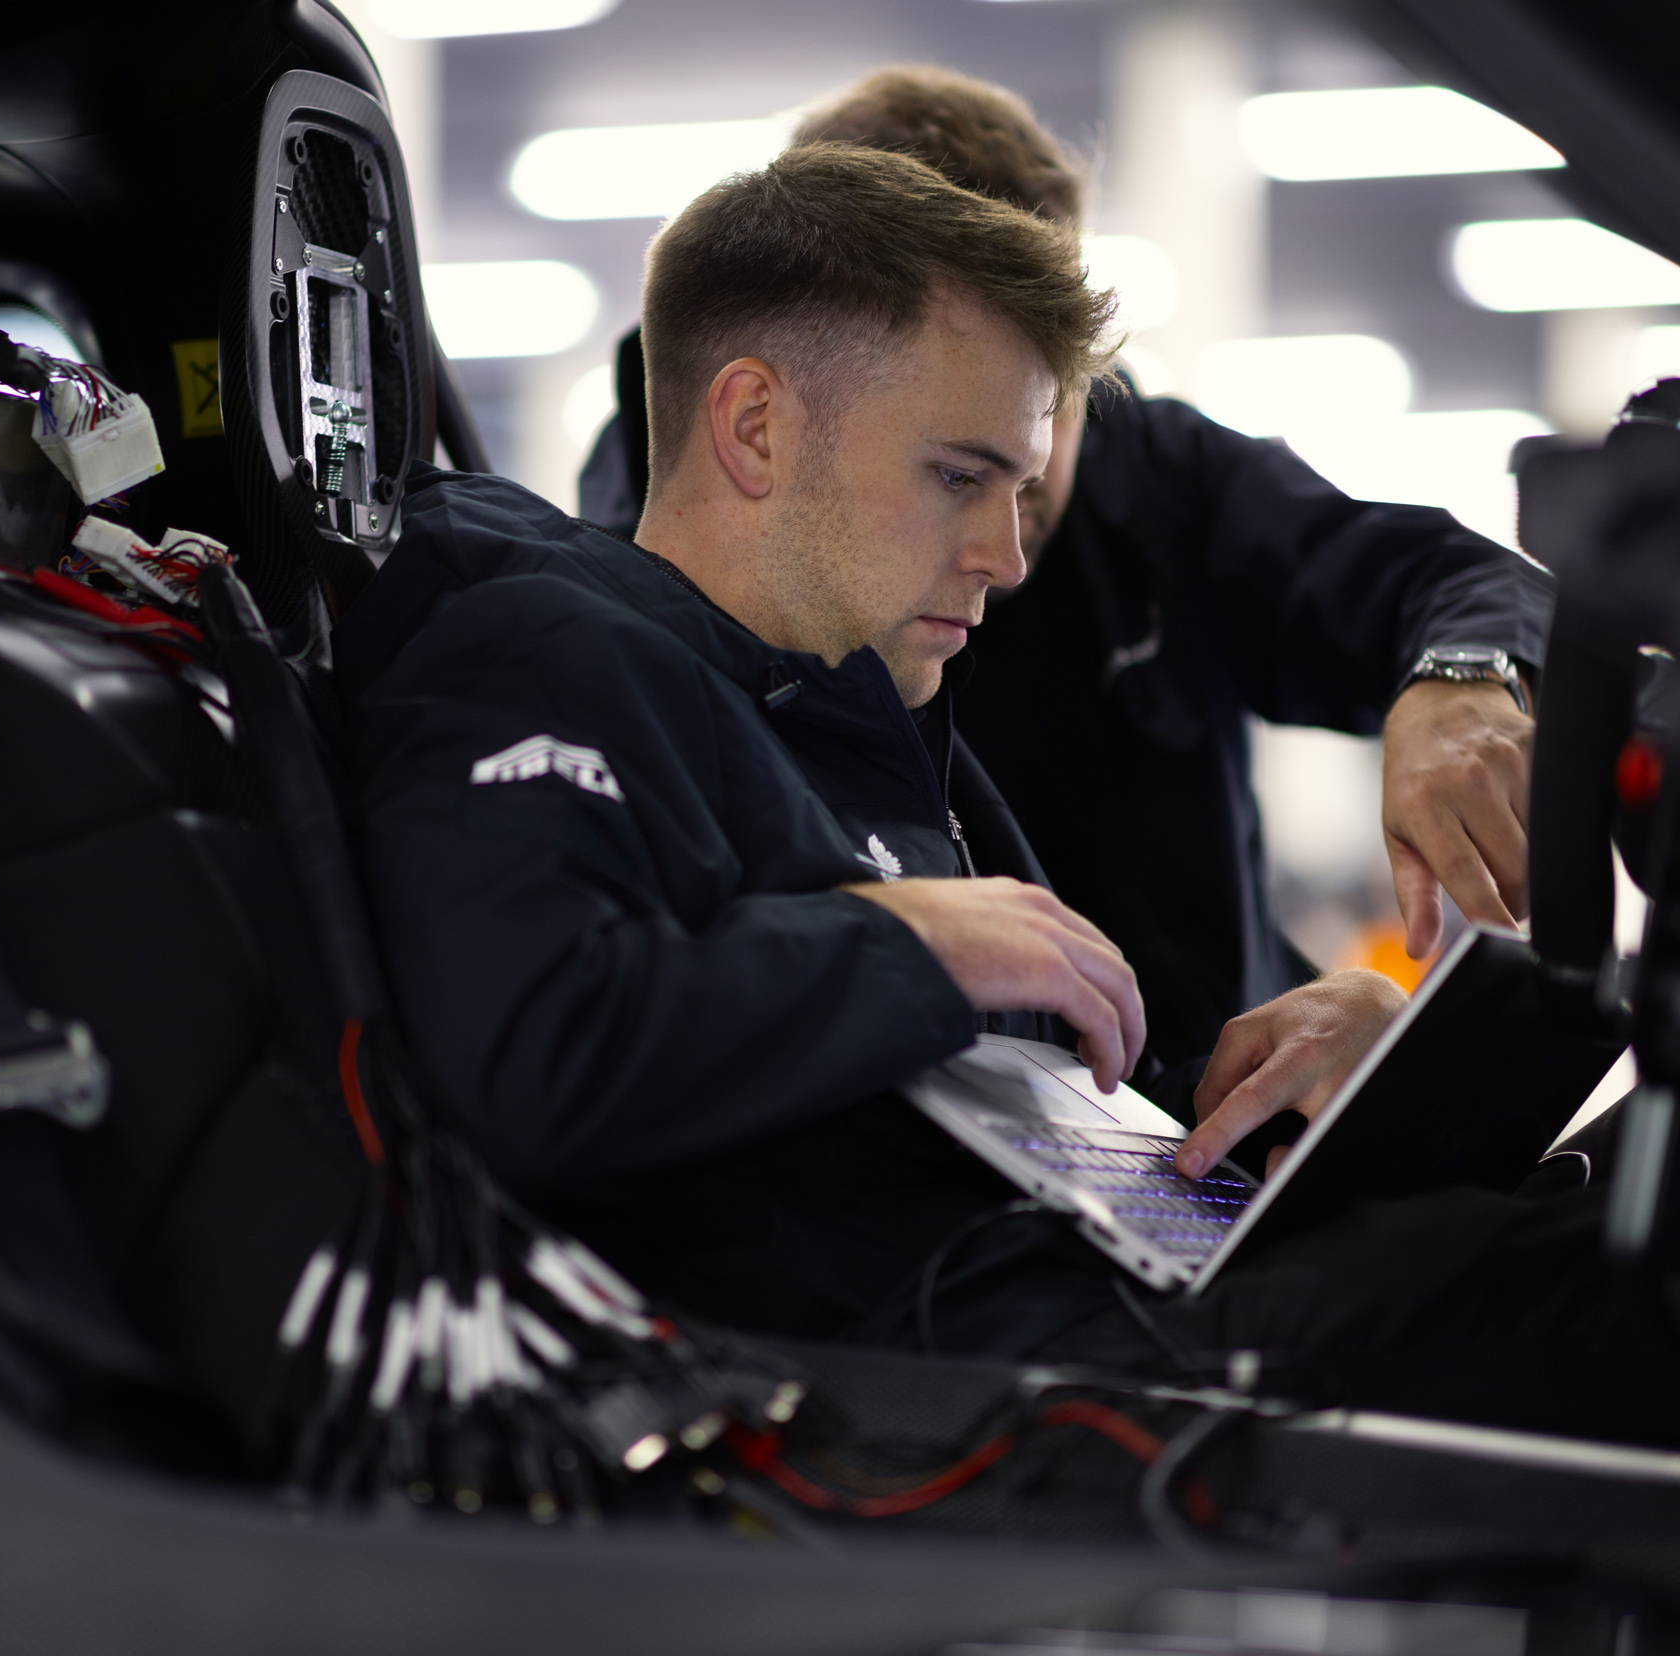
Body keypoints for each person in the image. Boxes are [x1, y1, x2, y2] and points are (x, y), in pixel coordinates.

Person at [342, 146, 1680, 1447]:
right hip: (947, 1384)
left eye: (1021, 488)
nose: (1006, 555)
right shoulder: (547, 651)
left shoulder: (864, 709)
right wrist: (910, 942)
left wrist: (1305, 1094)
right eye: (959, 477)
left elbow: (1001, 1104)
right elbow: (528, 1049)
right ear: (753, 425)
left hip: (1117, 1302)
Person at [579, 66, 1552, 1078]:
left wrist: (1464, 676)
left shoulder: (1160, 481)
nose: (1005, 533)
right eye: (957, 460)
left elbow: (1448, 579)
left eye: (1052, 393)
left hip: (1182, 1130)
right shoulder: (660, 552)